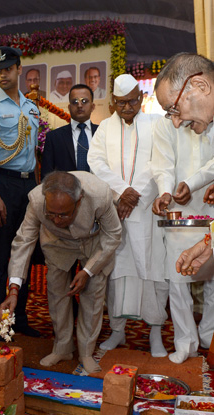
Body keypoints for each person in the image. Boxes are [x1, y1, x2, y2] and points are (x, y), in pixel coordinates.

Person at [0, 171, 122, 374]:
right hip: (57, 244)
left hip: (94, 245)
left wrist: (88, 271)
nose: (57, 220)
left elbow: (114, 235)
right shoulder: (36, 199)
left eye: (64, 214)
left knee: (92, 296)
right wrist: (13, 290)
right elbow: (23, 242)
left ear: (79, 200)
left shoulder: (100, 195)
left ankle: (86, 352)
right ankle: (63, 347)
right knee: (57, 295)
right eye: (51, 214)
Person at [88, 74, 169, 357]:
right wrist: (122, 192)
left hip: (146, 212)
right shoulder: (105, 128)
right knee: (117, 273)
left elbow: (160, 163)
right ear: (112, 102)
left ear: (142, 98)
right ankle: (118, 332)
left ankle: (156, 331)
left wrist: (136, 196)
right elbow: (94, 161)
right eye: (121, 103)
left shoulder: (157, 124)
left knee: (152, 269)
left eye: (132, 101)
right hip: (116, 210)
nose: (127, 107)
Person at [0, 46, 40, 342]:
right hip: (1, 185)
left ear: (18, 69)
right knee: (0, 257)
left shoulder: (31, 108)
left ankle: (19, 318)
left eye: (8, 68)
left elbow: (34, 154)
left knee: (22, 255)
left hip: (28, 188)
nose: (2, 74)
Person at [151, 117, 214, 364]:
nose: (175, 118)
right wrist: (166, 191)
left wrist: (193, 182)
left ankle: (210, 337)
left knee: (213, 278)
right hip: (178, 208)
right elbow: (162, 163)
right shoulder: (165, 124)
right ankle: (186, 343)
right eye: (169, 111)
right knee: (178, 277)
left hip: (211, 204)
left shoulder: (208, 113)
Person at [41, 84, 97, 178]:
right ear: (69, 107)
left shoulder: (104, 133)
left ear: (92, 106)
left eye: (84, 101)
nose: (79, 105)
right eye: (75, 101)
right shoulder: (54, 138)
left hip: (98, 190)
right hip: (64, 191)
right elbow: (46, 177)